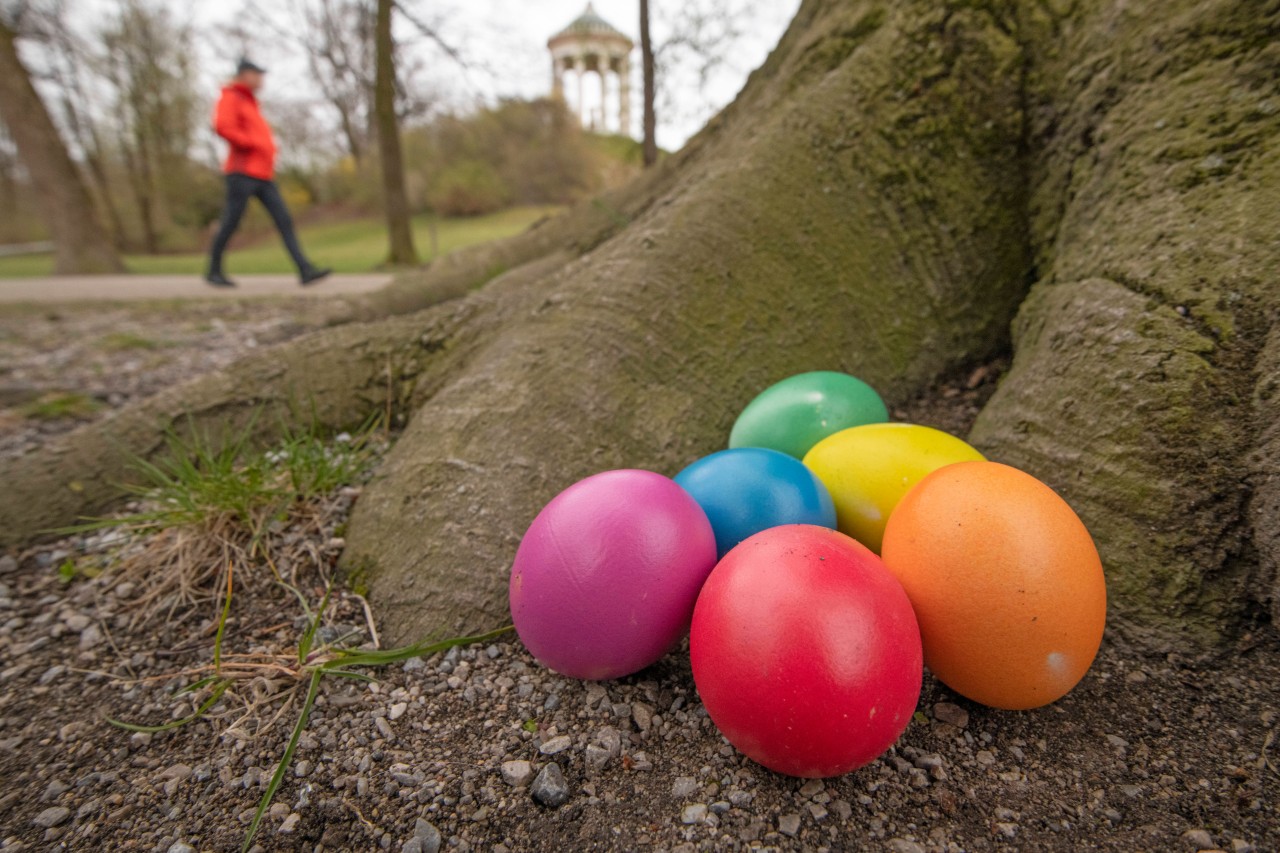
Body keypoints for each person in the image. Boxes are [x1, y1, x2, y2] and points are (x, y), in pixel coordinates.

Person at [206, 58, 331, 288]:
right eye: (257, 74)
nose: (261, 79)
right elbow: (223, 126)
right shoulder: (232, 96)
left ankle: (305, 270)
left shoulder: (251, 102)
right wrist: (251, 143)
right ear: (245, 75)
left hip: (263, 174)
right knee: (230, 222)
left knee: (284, 219)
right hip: (242, 172)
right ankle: (213, 270)